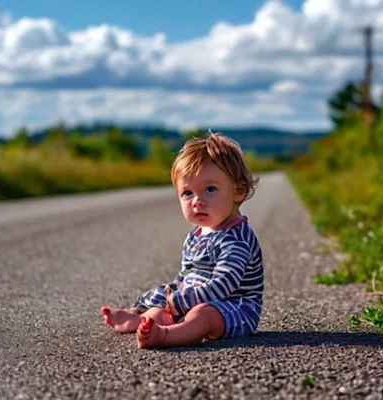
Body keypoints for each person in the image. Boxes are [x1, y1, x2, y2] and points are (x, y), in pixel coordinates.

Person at [100, 132, 264, 348]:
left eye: (210, 189)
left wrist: (181, 302)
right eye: (187, 193)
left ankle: (167, 335)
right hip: (197, 298)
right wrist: (166, 298)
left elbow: (225, 284)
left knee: (201, 314)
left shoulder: (236, 238)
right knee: (161, 307)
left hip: (234, 308)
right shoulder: (196, 235)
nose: (197, 201)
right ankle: (140, 318)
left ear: (238, 192)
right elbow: (185, 278)